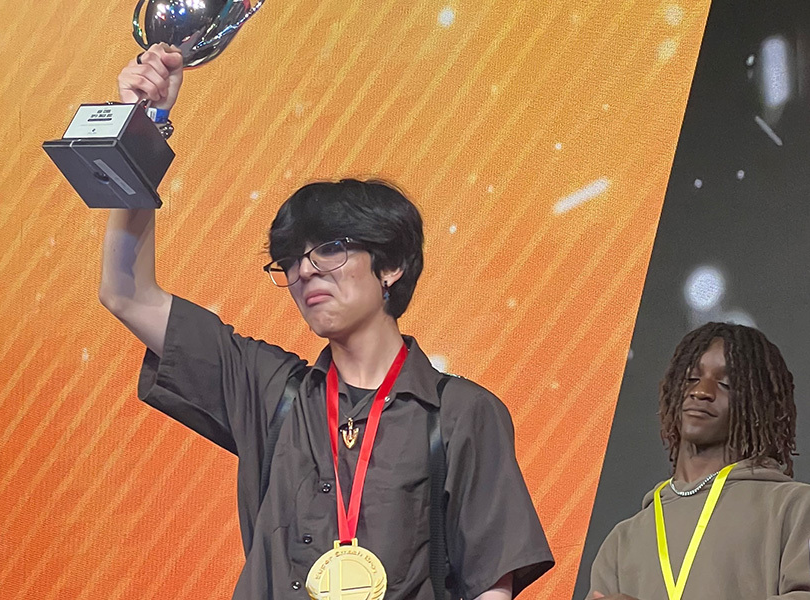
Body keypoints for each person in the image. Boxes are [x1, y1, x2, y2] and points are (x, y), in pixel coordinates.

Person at [100, 44, 553, 600]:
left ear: (389, 265)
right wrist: (142, 126)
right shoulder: (269, 389)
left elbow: (491, 588)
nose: (305, 270)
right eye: (289, 260)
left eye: (329, 250)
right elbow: (126, 292)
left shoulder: (461, 414)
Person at [587, 322, 810, 600]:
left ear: (760, 404)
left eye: (726, 384)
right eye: (691, 379)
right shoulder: (622, 541)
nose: (701, 391)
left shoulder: (796, 509)